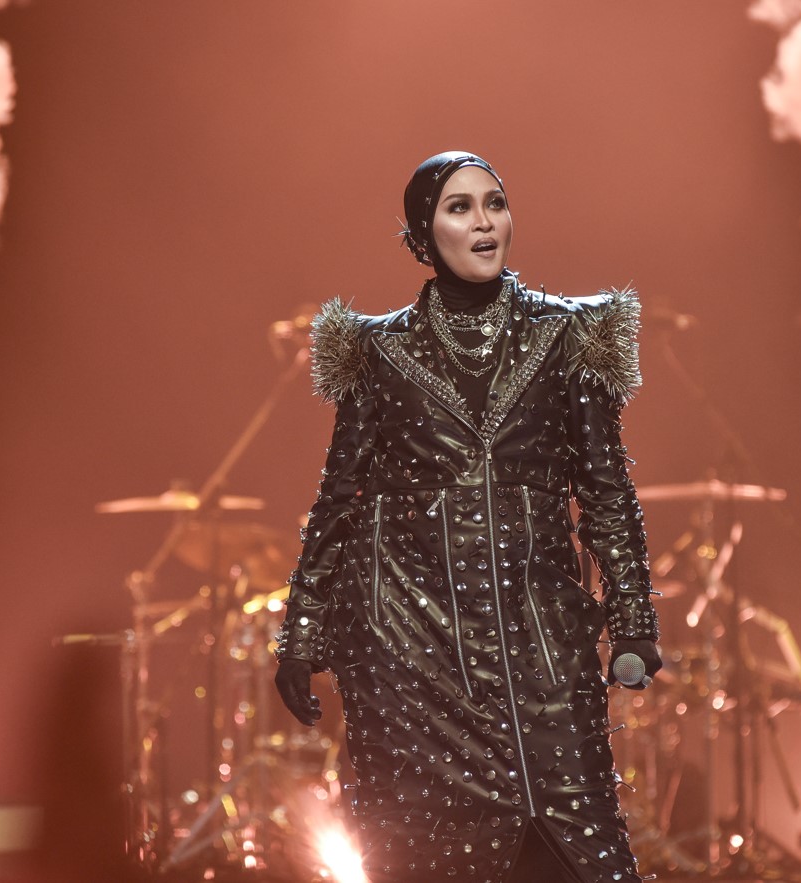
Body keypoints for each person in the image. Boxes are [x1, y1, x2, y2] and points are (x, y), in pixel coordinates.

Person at [273, 151, 663, 883]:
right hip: (410, 656)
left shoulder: (569, 336)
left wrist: (634, 621)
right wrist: (302, 634)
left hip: (539, 645)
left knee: (582, 850)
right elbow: (339, 500)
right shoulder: (377, 351)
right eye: (460, 207)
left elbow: (606, 488)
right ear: (424, 233)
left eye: (495, 203)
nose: (485, 222)